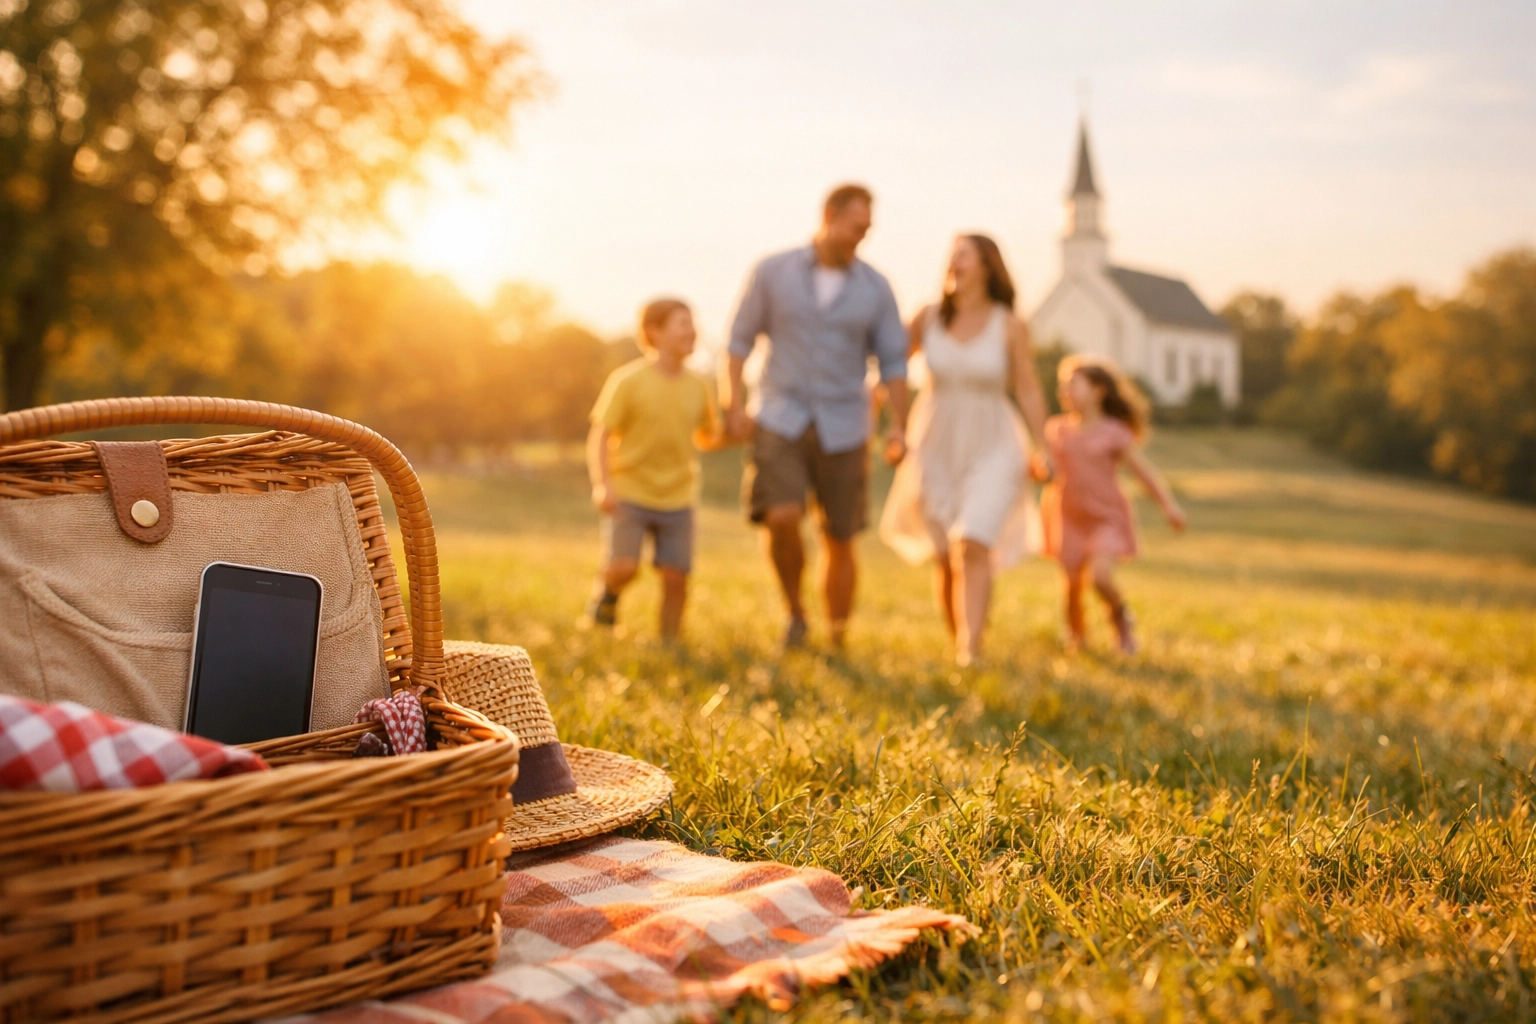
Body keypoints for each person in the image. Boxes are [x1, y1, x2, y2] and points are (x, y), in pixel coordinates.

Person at [724, 184, 910, 650]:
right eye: (855, 227)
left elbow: (893, 363)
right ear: (829, 216)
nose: (860, 237)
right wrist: (733, 404)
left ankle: (838, 634)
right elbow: (739, 340)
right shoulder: (773, 271)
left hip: (845, 423)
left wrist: (899, 427)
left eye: (867, 230)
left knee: (840, 535)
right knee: (782, 515)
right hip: (779, 413)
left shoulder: (876, 287)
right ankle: (795, 613)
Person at [878, 234, 1052, 666]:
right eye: (951, 256)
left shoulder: (1008, 324)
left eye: (963, 256)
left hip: (995, 442)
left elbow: (1027, 388)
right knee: (945, 555)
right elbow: (891, 371)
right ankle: (960, 637)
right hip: (934, 443)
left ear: (987, 267)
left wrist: (1044, 447)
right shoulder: (927, 318)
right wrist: (895, 427)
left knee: (973, 542)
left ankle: (969, 651)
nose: (953, 263)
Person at [585, 298, 724, 640]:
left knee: (676, 576)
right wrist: (603, 484)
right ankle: (607, 596)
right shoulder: (628, 380)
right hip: (630, 490)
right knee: (624, 567)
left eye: (693, 324)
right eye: (682, 324)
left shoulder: (699, 386)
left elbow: (708, 436)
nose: (692, 331)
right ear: (655, 332)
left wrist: (738, 428)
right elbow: (600, 436)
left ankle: (669, 644)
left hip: (678, 494)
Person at [1035, 355, 1186, 654]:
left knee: (1100, 577)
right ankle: (1076, 638)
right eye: (1063, 386)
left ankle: (1120, 618)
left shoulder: (1114, 432)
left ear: (1098, 391)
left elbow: (1143, 473)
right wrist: (1039, 468)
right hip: (1068, 515)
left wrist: (1168, 506)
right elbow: (1041, 469)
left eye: (1073, 385)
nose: (1064, 391)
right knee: (1071, 585)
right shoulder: (1056, 431)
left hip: (1106, 516)